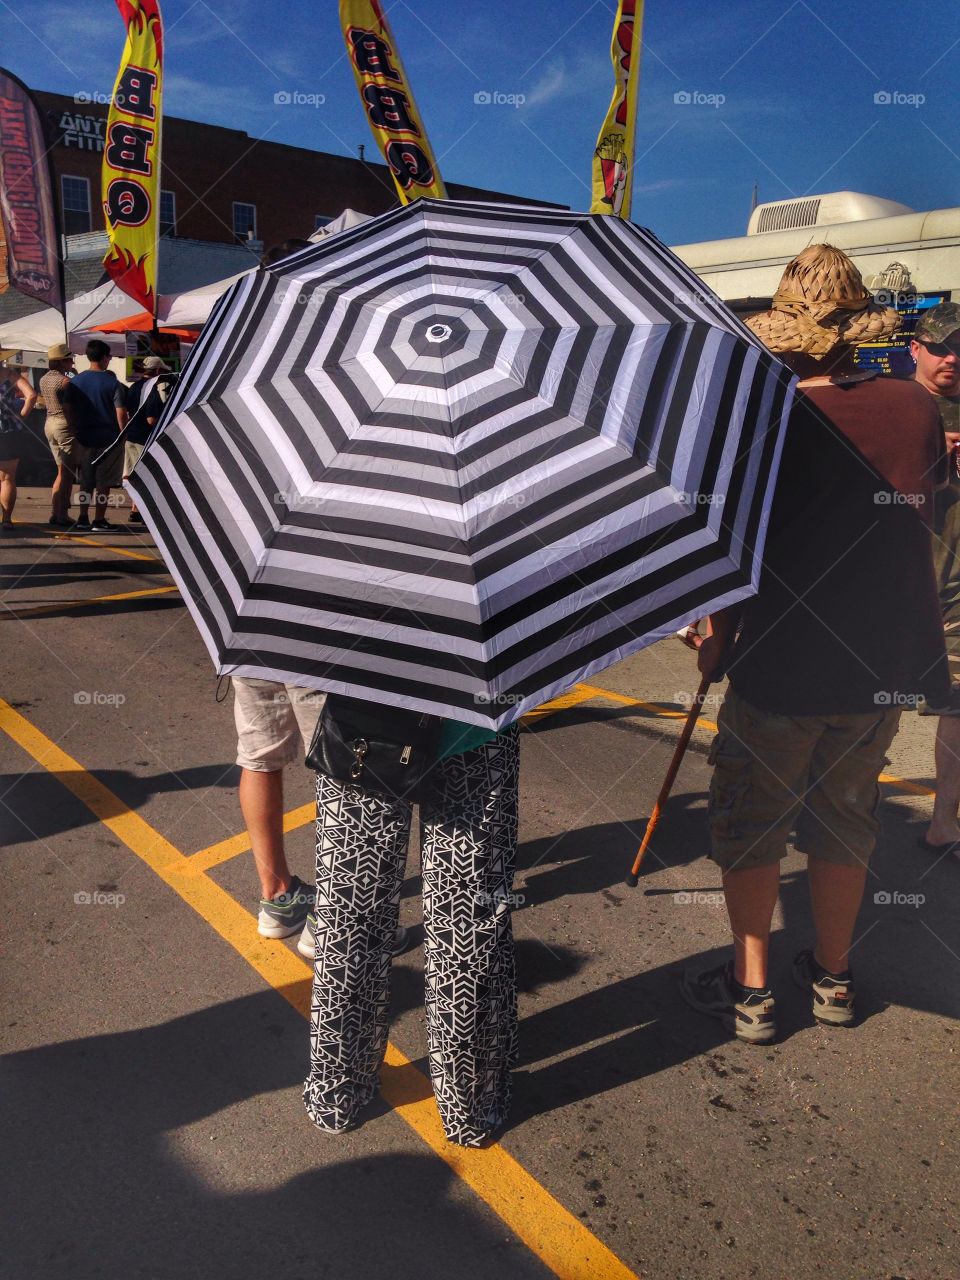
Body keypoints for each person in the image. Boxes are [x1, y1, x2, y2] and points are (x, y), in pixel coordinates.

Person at [680, 245, 950, 1043]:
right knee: (846, 815)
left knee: (752, 820)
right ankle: (833, 975)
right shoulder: (914, 406)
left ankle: (751, 986)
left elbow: (735, 558)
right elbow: (925, 517)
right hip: (883, 663)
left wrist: (714, 647)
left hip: (783, 661)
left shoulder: (767, 418)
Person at [302, 717, 520, 1147]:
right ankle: (468, 1105)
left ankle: (336, 1090)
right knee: (467, 919)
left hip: (365, 713)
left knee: (350, 911)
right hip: (474, 722)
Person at [910, 304, 960, 860]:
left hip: (958, 588)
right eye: (943, 347)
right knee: (870, 707)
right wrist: (926, 460)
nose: (952, 358)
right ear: (915, 348)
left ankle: (944, 823)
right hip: (897, 581)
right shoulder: (896, 407)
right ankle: (843, 808)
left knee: (958, 706)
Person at [63, 339, 128, 532]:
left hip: (83, 436)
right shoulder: (113, 383)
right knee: (104, 481)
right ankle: (99, 520)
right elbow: (121, 413)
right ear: (105, 358)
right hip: (108, 438)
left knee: (86, 478)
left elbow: (66, 407)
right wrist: (123, 433)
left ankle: (83, 517)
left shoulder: (75, 382)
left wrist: (72, 426)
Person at [123, 355, 174, 525]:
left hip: (131, 436)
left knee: (133, 475)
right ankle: (146, 512)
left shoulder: (133, 387)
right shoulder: (153, 388)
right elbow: (151, 419)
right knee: (147, 476)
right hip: (145, 439)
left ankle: (135, 510)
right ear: (158, 371)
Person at [39, 343, 80, 527]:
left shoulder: (44, 379)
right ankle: (62, 513)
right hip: (63, 423)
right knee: (68, 474)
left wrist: (72, 372)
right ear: (62, 362)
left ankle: (55, 512)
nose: (72, 362)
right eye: (69, 359)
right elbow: (69, 406)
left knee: (60, 471)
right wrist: (73, 427)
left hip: (49, 423)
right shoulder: (66, 381)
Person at [0, 361, 38, 531]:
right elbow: (31, 395)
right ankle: (6, 519)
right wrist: (20, 417)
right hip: (9, 432)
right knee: (7, 479)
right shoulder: (9, 375)